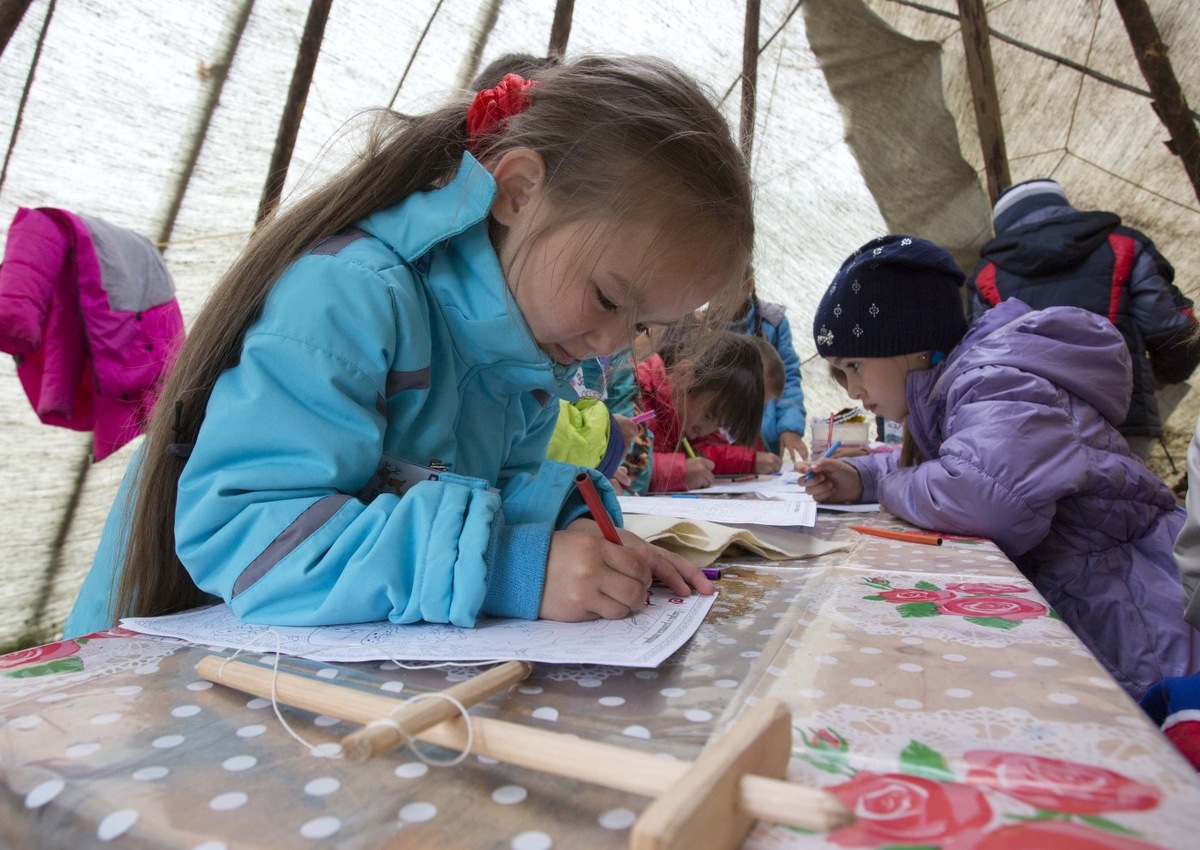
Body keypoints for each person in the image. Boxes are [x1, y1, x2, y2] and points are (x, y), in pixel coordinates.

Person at [63, 56, 755, 637]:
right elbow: (248, 531)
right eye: (609, 297)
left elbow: (509, 489)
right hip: (148, 693)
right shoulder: (351, 296)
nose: (611, 343)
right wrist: (514, 568)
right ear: (517, 192)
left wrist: (593, 542)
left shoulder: (523, 360)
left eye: (640, 327)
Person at [801, 234, 1200, 699]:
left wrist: (890, 483)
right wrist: (862, 477)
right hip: (1094, 593)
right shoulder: (967, 382)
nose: (850, 390)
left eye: (853, 365)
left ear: (909, 344)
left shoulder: (1000, 382)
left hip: (1137, 619)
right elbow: (966, 463)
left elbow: (985, 496)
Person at [965, 178, 1200, 461]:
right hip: (1125, 417)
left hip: (1039, 432)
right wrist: (1164, 376)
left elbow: (983, 358)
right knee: (1132, 502)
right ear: (1063, 205)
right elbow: (1172, 328)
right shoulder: (1123, 245)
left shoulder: (986, 275)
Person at [632, 329, 766, 492]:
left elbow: (707, 452)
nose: (706, 430)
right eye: (709, 416)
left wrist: (749, 460)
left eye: (720, 425)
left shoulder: (684, 422)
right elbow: (618, 465)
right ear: (684, 375)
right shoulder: (639, 400)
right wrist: (679, 472)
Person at [727, 276, 808, 462]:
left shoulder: (773, 322)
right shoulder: (702, 327)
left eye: (726, 288)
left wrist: (790, 427)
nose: (720, 297)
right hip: (719, 442)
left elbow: (789, 377)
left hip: (768, 439)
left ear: (749, 284)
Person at [692, 335, 785, 475]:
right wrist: (750, 461)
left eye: (760, 407)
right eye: (752, 401)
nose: (751, 411)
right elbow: (695, 454)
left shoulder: (749, 430)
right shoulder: (704, 415)